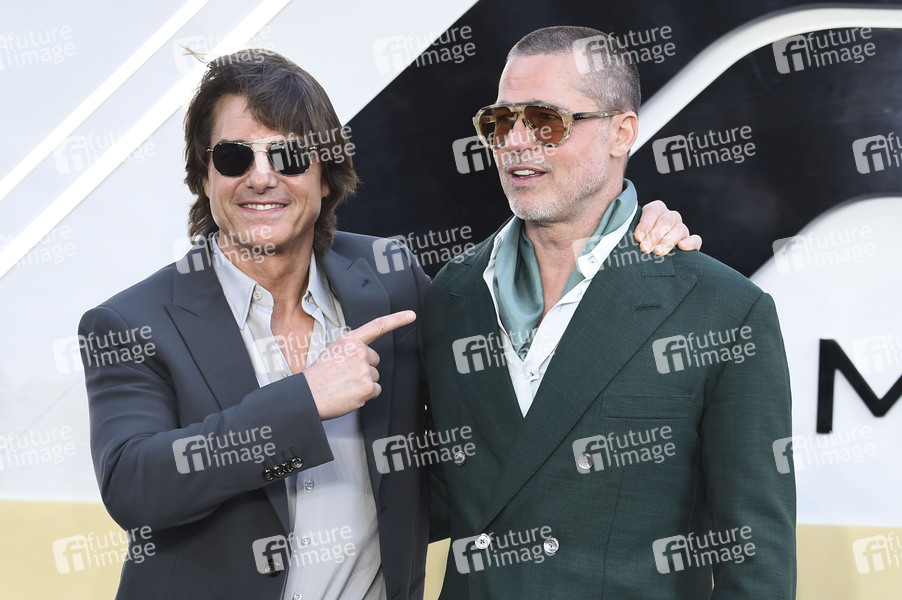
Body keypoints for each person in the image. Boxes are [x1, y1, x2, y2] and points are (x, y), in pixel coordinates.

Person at [80, 49, 696, 600]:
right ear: (204, 173)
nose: (261, 177)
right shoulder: (131, 322)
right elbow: (133, 486)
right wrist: (304, 401)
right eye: (235, 156)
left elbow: (499, 400)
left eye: (289, 156)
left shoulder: (391, 279)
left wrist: (628, 230)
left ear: (325, 176)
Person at [420, 26, 795, 599]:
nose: (516, 141)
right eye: (500, 122)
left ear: (622, 132)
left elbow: (755, 556)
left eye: (544, 121)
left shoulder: (722, 310)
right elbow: (430, 498)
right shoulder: (452, 295)